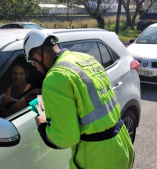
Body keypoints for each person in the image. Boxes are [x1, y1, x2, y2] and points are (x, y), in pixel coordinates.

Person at [23, 29, 134, 169]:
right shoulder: (83, 58)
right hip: (121, 144)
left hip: (96, 157)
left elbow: (65, 138)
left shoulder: (54, 79)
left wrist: (42, 126)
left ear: (38, 56)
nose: (37, 69)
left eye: (34, 64)